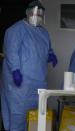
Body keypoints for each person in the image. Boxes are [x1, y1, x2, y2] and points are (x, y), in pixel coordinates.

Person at [1, 1, 58, 130]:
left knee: (36, 116)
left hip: (38, 82)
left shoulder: (44, 33)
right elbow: (11, 52)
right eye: (35, 12)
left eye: (40, 14)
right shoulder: (15, 30)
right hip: (19, 84)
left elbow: (47, 48)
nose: (37, 16)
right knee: (18, 115)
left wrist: (51, 55)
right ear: (27, 12)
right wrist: (15, 70)